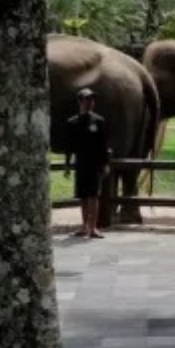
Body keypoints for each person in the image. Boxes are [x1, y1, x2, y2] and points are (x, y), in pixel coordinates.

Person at [64, 88, 110, 239]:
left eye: (92, 99)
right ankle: (84, 225)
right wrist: (67, 164)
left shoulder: (99, 121)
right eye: (86, 99)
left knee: (94, 195)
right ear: (79, 101)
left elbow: (103, 145)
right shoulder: (73, 122)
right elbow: (70, 146)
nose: (90, 102)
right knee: (83, 196)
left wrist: (105, 164)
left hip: (95, 164)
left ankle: (93, 227)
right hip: (81, 163)